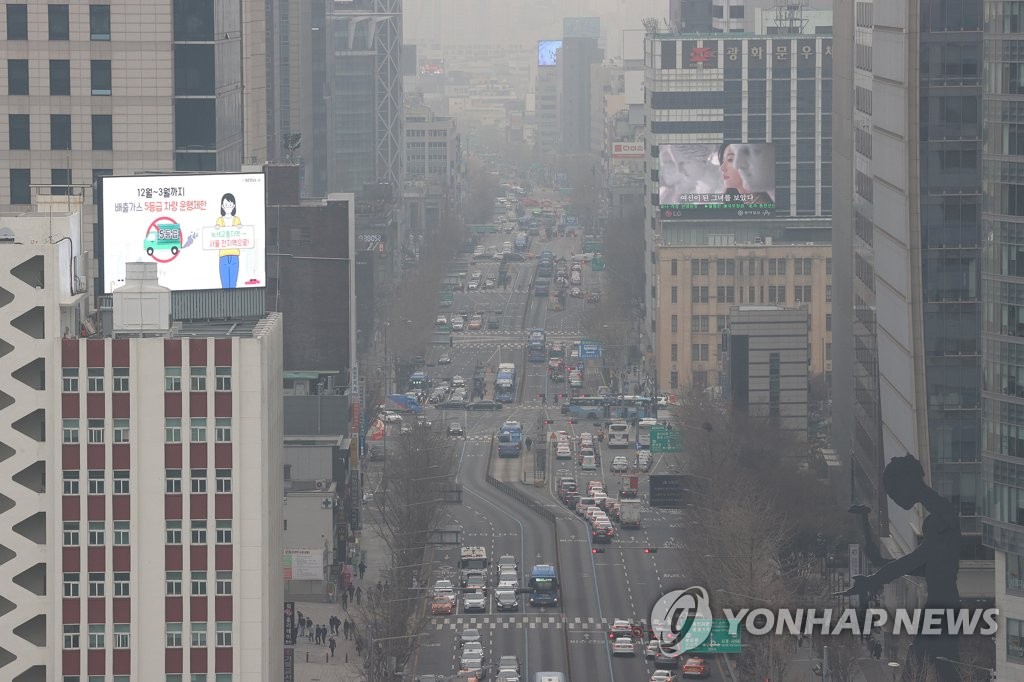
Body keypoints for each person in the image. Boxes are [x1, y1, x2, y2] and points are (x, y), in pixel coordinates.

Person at [841, 453, 961, 681]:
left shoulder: (942, 517)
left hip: (942, 609)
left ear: (908, 482)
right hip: (941, 607)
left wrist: (873, 580)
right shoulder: (938, 516)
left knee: (920, 670)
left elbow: (914, 561)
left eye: (894, 492)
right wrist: (864, 524)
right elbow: (913, 565)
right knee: (936, 670)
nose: (894, 500)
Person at [215, 192, 242, 288]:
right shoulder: (219, 220)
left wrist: (240, 228)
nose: (228, 207)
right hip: (223, 255)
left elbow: (242, 234)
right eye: (226, 205)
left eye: (230, 205)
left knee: (233, 283)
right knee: (225, 284)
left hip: (234, 255)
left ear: (234, 206)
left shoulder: (237, 220)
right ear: (222, 206)